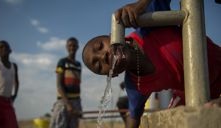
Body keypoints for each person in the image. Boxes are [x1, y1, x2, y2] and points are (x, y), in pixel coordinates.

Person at [82, 26, 221, 128]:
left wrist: (140, 6)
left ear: (114, 35)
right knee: (174, 119)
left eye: (100, 46)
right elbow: (133, 117)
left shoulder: (148, 25)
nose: (102, 56)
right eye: (99, 66)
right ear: (112, 75)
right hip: (195, 93)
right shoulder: (135, 85)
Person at [50, 37, 82, 128]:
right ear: (66, 47)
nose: (72, 47)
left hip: (76, 101)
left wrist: (78, 105)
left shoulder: (79, 65)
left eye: (74, 46)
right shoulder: (61, 62)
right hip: (63, 101)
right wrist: (67, 104)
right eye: (70, 46)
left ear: (77, 47)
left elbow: (78, 84)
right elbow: (59, 84)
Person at [0, 40, 19, 128]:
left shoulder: (14, 66)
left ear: (10, 50)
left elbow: (16, 81)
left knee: (12, 125)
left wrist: (15, 95)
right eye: (1, 47)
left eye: (6, 47)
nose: (4, 48)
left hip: (7, 101)